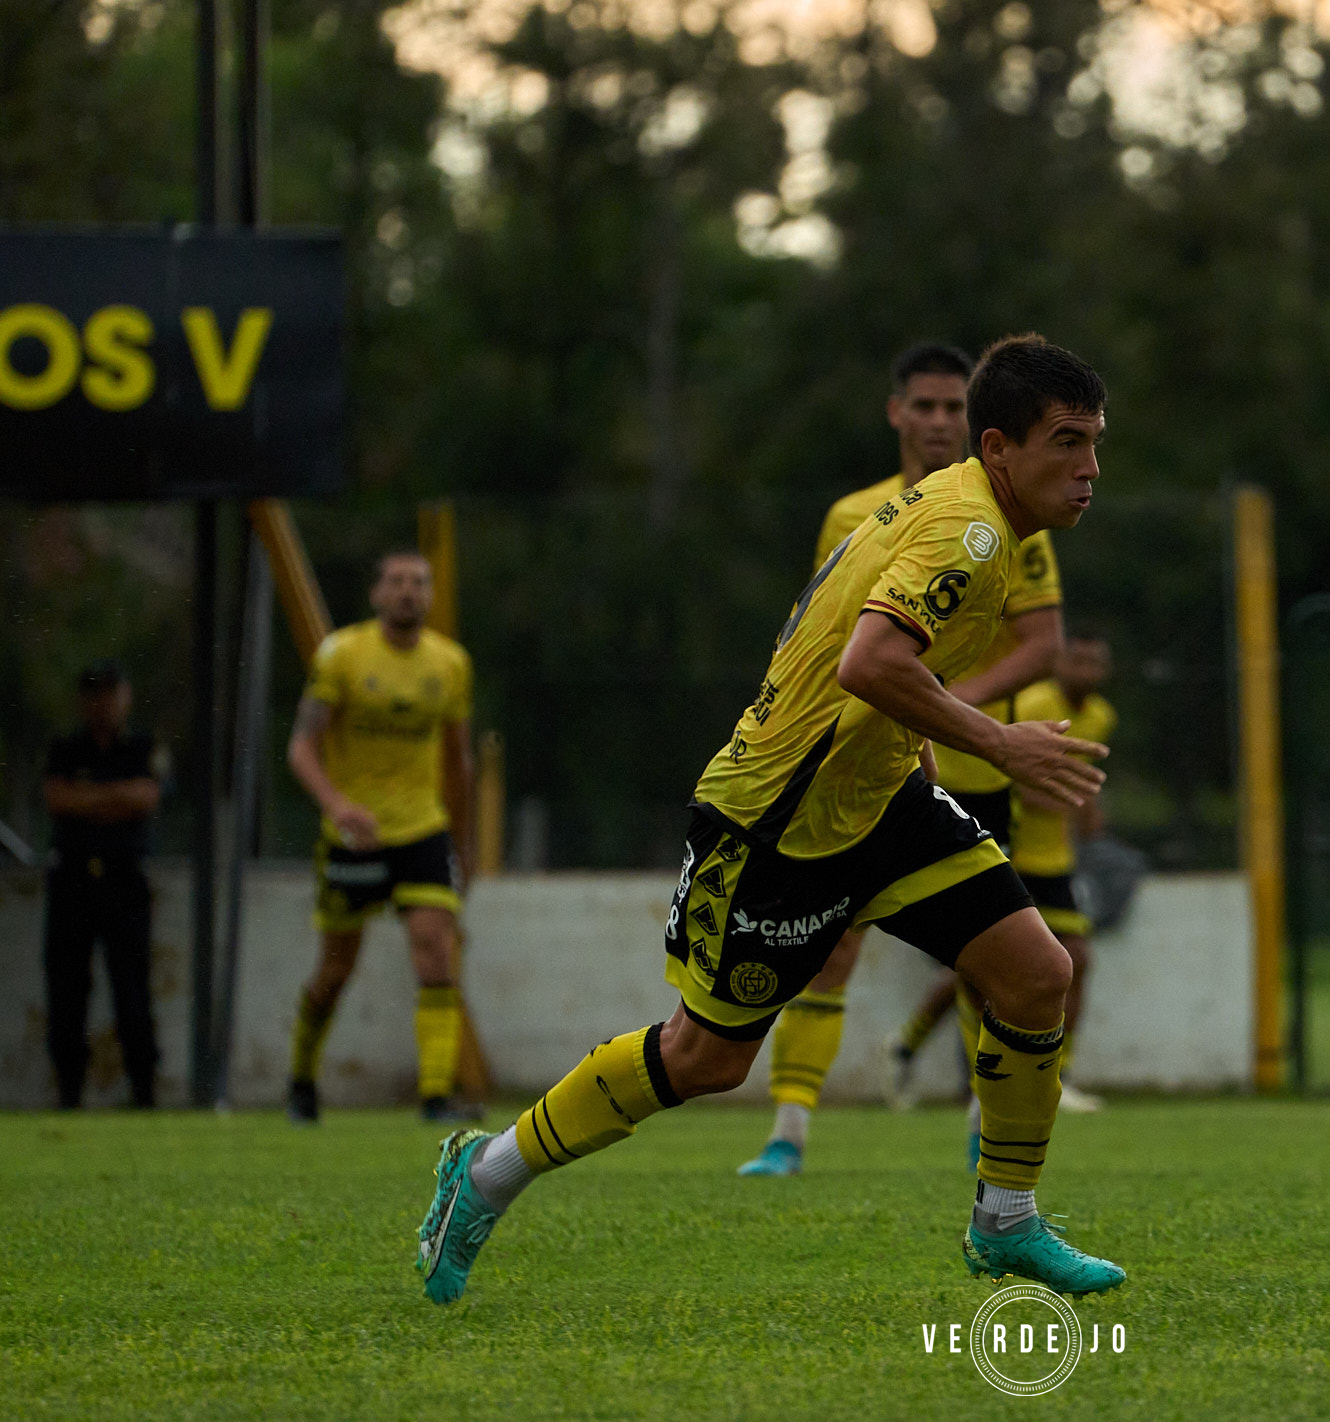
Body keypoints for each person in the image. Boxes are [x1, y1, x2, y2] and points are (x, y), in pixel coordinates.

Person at [416, 334, 1125, 1303]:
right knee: (702, 1057)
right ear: (997, 447)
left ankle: (1005, 1220)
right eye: (1065, 443)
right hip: (778, 821)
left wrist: (915, 752)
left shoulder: (975, 518)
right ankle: (485, 1173)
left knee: (1037, 973)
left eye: (1094, 444)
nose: (1088, 470)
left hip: (877, 800)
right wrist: (997, 745)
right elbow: (867, 662)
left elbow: (849, 647)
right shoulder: (965, 533)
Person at [735, 340, 1065, 1177]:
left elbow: (1041, 644)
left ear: (977, 422)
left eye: (954, 407)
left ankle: (980, 1131)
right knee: (831, 946)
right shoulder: (854, 515)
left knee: (990, 956)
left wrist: (953, 715)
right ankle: (788, 1131)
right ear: (895, 414)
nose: (937, 421)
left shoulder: (1018, 509)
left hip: (980, 767)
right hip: (858, 768)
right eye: (923, 406)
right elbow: (827, 643)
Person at [283, 551, 476, 1125]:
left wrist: (462, 842)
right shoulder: (342, 654)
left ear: (431, 595)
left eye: (419, 582)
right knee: (336, 969)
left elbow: (458, 760)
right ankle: (301, 1078)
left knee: (436, 952)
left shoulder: (450, 664)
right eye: (396, 582)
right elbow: (300, 747)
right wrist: (338, 806)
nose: (408, 592)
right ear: (376, 594)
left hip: (423, 829)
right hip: (354, 836)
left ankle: (436, 1097)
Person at [42, 659, 161, 1109]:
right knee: (67, 990)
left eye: (110, 692)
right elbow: (57, 799)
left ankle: (143, 1094)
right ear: (82, 700)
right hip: (72, 881)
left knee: (132, 989)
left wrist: (85, 799)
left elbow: (145, 798)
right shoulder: (65, 749)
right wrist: (116, 797)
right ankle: (69, 1093)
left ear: (124, 697)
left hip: (124, 881)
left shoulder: (141, 746)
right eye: (93, 693)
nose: (102, 702)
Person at [1008, 632, 1116, 1113]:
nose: (1086, 671)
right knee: (986, 973)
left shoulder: (1101, 716)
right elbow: (1014, 780)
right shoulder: (1033, 703)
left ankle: (1057, 1075)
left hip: (1055, 861)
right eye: (1078, 660)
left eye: (1095, 662)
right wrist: (1075, 800)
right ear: (1058, 662)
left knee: (1074, 961)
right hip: (1009, 854)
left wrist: (1089, 809)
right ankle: (910, 1047)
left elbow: (1080, 780)